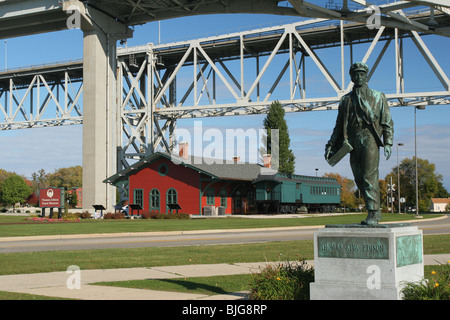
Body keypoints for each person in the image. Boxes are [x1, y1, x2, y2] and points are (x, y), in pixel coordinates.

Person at [325, 62, 394, 225]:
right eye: (356, 74)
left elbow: (387, 121)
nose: (359, 77)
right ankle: (374, 210)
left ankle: (373, 211)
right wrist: (331, 145)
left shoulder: (378, 96)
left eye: (362, 74)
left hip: (370, 137)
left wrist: (388, 142)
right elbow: (339, 125)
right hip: (352, 140)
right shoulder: (345, 100)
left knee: (369, 175)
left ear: (366, 76)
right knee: (358, 178)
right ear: (352, 77)